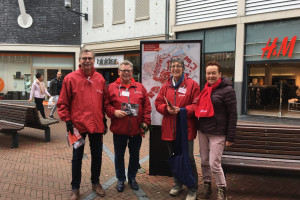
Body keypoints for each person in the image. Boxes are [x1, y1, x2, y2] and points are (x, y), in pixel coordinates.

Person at [57, 49, 106, 200]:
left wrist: (104, 119)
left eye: (90, 58)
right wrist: (67, 121)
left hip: (96, 124)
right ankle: (75, 187)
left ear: (93, 60)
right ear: (79, 60)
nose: (87, 61)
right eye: (84, 58)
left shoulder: (100, 79)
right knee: (77, 157)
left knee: (97, 155)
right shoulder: (70, 78)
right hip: (77, 125)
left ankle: (96, 182)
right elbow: (63, 102)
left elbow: (104, 103)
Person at [155, 57, 200, 200]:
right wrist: (166, 109)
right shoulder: (165, 86)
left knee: (189, 158)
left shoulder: (192, 85)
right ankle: (178, 184)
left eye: (178, 66)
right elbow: (158, 103)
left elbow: (196, 105)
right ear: (170, 69)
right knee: (174, 158)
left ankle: (193, 188)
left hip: (186, 129)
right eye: (173, 66)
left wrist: (181, 110)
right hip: (169, 129)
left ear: (183, 68)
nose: (175, 68)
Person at [104, 60, 151, 193]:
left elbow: (147, 106)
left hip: (136, 129)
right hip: (119, 129)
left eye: (128, 70)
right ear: (119, 72)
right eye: (123, 70)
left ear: (132, 72)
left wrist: (146, 122)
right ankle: (120, 179)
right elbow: (106, 105)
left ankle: (132, 178)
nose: (126, 73)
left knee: (134, 155)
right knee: (119, 156)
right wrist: (114, 112)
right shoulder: (111, 87)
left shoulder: (140, 88)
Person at [195, 61, 237, 200]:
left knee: (214, 163)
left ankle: (221, 189)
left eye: (214, 73)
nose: (211, 76)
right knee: (204, 161)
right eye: (208, 73)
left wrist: (230, 137)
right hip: (203, 131)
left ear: (220, 74)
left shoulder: (228, 90)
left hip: (218, 133)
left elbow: (232, 114)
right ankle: (207, 187)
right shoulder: (205, 89)